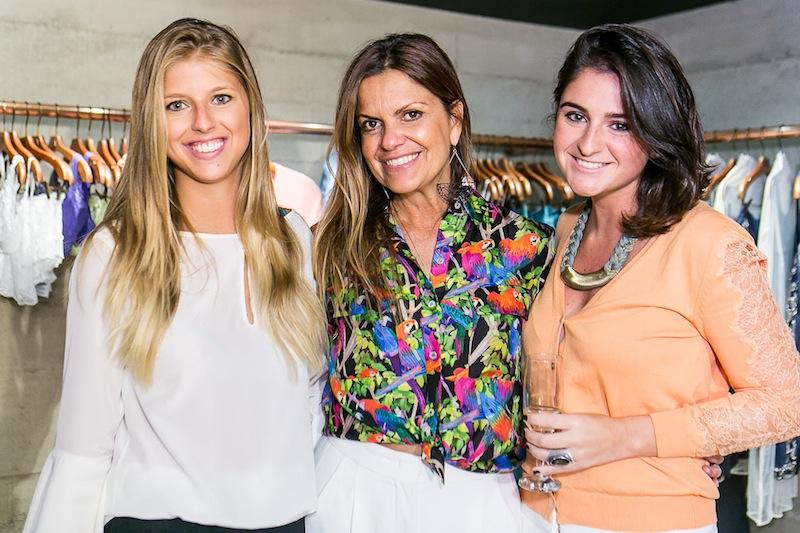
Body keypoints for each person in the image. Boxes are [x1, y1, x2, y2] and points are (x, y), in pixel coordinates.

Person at [23, 18, 326, 533]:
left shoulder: (294, 240)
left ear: (251, 108)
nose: (203, 122)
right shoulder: (115, 254)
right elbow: (82, 448)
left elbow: (309, 410)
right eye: (177, 105)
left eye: (221, 98)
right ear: (152, 122)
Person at [521, 24, 800, 532]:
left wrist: (632, 435)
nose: (588, 143)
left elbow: (786, 404)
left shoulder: (708, 243)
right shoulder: (566, 227)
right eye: (575, 115)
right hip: (537, 513)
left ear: (657, 133)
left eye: (620, 124)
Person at [310, 33, 554, 533]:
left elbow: (576, 376)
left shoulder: (526, 247)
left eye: (411, 115)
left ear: (455, 119)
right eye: (371, 124)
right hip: (355, 495)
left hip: (483, 503)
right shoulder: (326, 246)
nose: (389, 141)